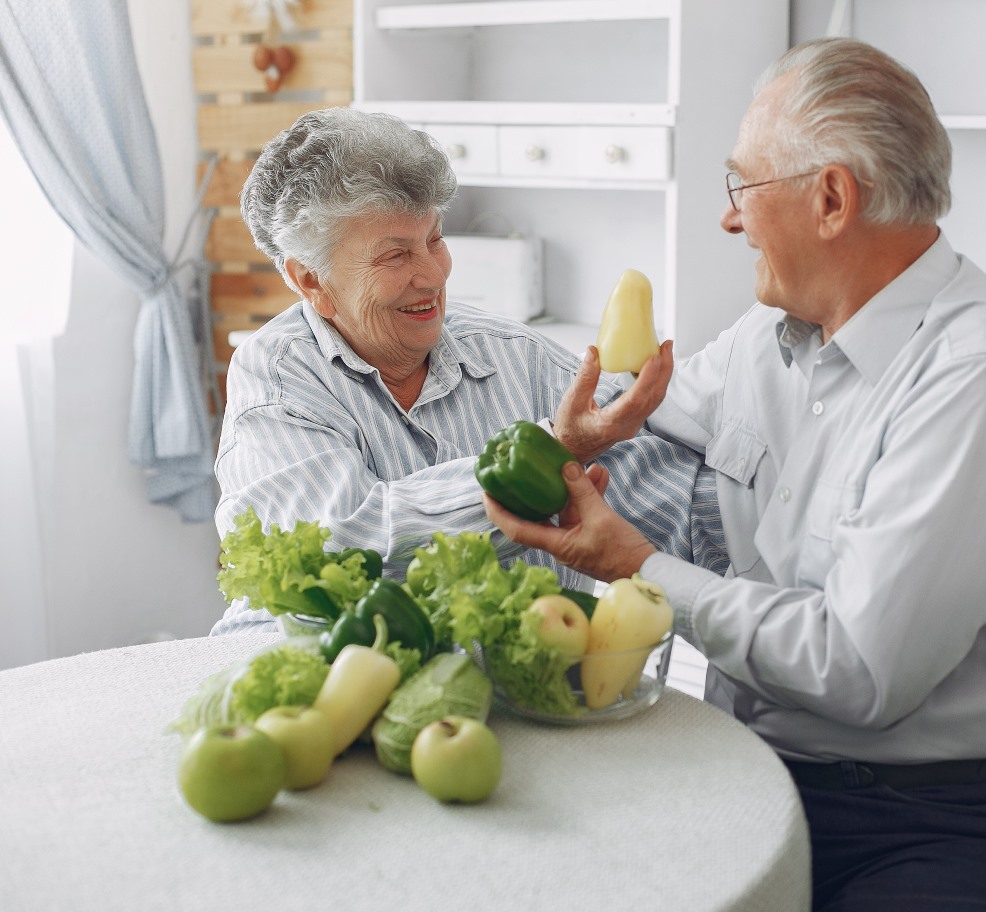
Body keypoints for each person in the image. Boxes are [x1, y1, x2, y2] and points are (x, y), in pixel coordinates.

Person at [484, 38, 986, 912]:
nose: (729, 220)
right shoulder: (765, 341)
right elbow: (642, 419)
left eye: (743, 186)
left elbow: (857, 670)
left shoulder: (979, 376)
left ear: (831, 198)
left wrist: (636, 566)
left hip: (946, 821)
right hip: (758, 777)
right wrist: (591, 428)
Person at [210, 106, 726, 635]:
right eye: (395, 256)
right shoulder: (276, 381)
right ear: (311, 280)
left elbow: (667, 502)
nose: (432, 275)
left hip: (506, 698)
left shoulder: (514, 355)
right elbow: (350, 547)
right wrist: (550, 451)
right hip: (314, 693)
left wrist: (787, 498)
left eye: (434, 238)